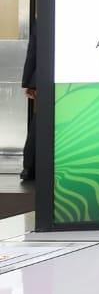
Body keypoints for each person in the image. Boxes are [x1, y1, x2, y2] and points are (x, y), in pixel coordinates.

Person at [19, 25, 36, 182]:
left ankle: (29, 167)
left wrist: (29, 82)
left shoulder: (44, 17)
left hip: (43, 77)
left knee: (41, 121)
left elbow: (33, 51)